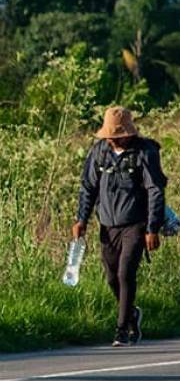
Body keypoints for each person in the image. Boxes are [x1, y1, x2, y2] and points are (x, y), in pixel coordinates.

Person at [73, 106, 167, 347]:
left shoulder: (144, 152)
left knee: (126, 273)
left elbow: (155, 190)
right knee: (111, 277)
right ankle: (132, 314)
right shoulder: (99, 152)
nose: (113, 140)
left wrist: (152, 229)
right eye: (110, 136)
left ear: (129, 133)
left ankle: (122, 329)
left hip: (135, 224)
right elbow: (88, 187)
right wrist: (81, 219)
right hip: (107, 224)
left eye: (118, 136)